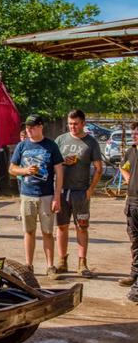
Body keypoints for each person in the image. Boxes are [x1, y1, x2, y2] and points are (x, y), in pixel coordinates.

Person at [9, 114, 64, 278]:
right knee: (29, 231)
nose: (29, 130)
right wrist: (24, 171)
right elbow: (11, 168)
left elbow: (59, 172)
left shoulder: (51, 146)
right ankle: (29, 265)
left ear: (41, 127)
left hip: (47, 195)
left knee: (47, 232)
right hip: (27, 195)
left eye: (32, 127)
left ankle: (50, 266)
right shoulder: (22, 146)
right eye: (27, 127)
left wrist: (57, 196)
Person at [54, 110, 103, 279]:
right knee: (61, 226)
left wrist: (91, 189)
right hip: (61, 190)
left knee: (81, 227)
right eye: (70, 123)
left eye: (75, 124)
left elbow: (99, 168)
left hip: (80, 192)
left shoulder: (91, 142)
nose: (72, 127)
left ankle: (82, 263)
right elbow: (51, 163)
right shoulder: (60, 140)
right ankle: (62, 260)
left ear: (83, 123)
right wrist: (63, 160)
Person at [119, 121, 138, 301]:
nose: (135, 136)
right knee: (134, 240)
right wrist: (129, 178)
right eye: (133, 134)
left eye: (137, 134)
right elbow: (122, 167)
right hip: (132, 202)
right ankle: (134, 274)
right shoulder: (131, 151)